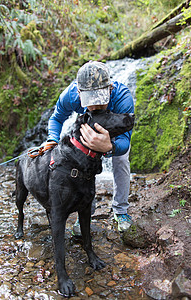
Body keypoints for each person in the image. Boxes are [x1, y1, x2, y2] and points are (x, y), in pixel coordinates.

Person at [44, 61, 134, 234]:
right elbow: (56, 119)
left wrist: (109, 147)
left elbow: (124, 141)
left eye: (100, 101)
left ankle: (121, 211)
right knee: (82, 163)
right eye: (90, 102)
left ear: (110, 88)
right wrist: (52, 140)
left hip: (114, 135)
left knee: (121, 161)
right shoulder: (70, 96)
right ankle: (84, 212)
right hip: (88, 131)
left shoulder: (123, 98)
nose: (94, 107)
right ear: (79, 93)